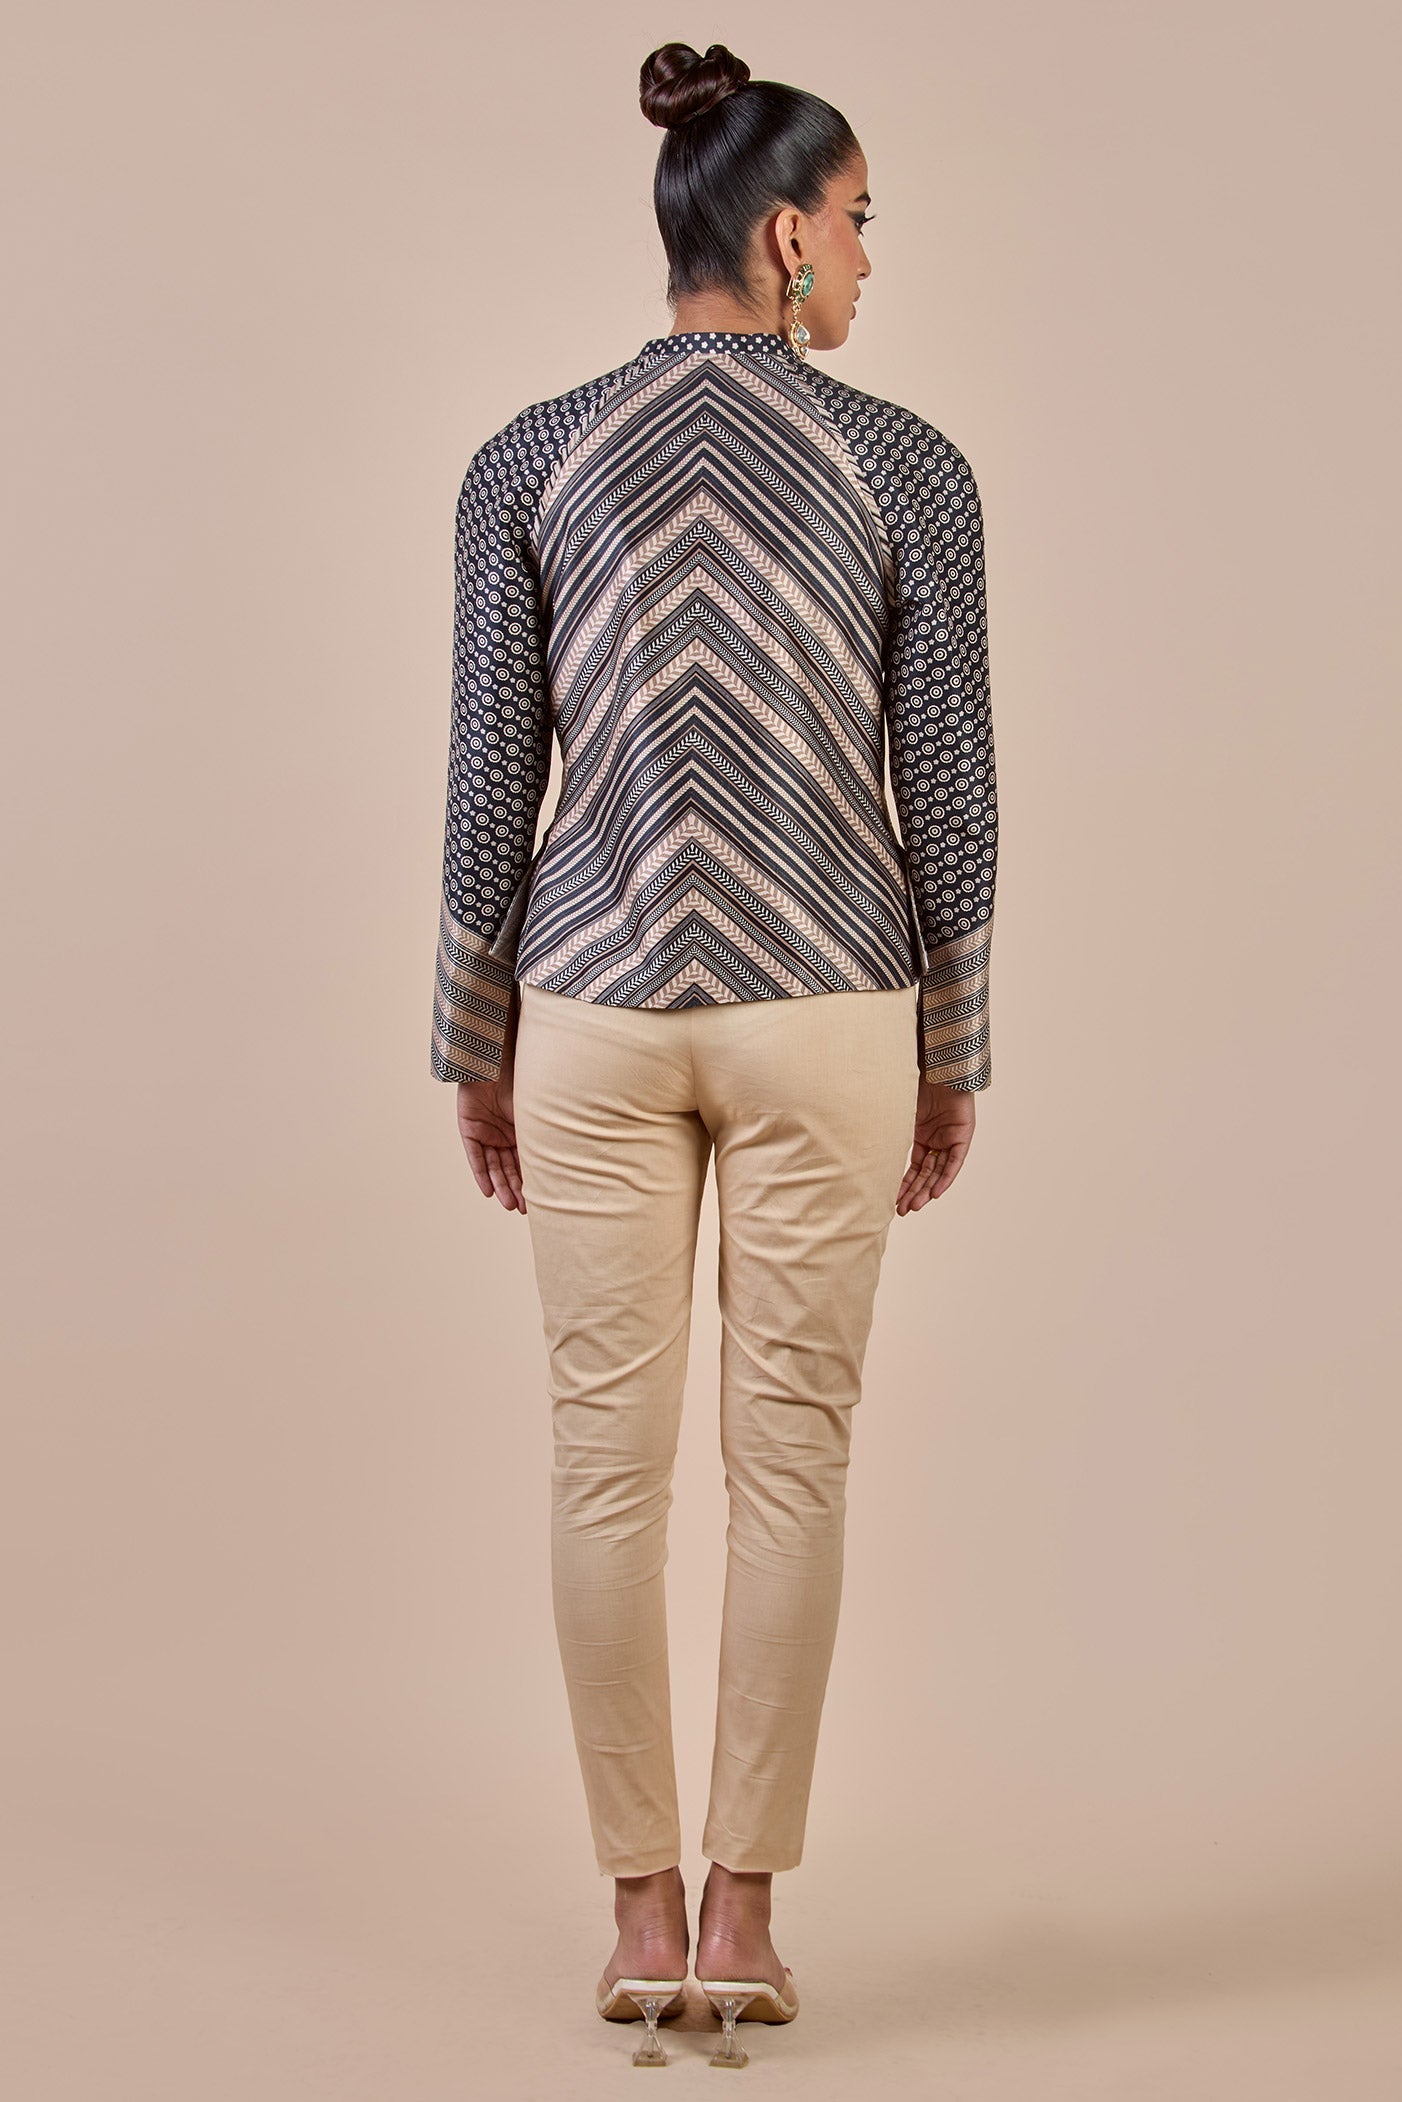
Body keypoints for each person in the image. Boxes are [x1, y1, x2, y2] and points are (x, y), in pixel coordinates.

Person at [429, 39, 998, 2067]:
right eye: (855, 220)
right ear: (779, 235)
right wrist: (953, 1043)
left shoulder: (528, 456)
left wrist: (473, 1035)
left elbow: (490, 780)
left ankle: (633, 1916)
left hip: (586, 1004)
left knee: (603, 1465)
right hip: (828, 997)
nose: (867, 257)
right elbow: (947, 786)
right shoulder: (904, 464)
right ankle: (741, 1911)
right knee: (790, 1461)